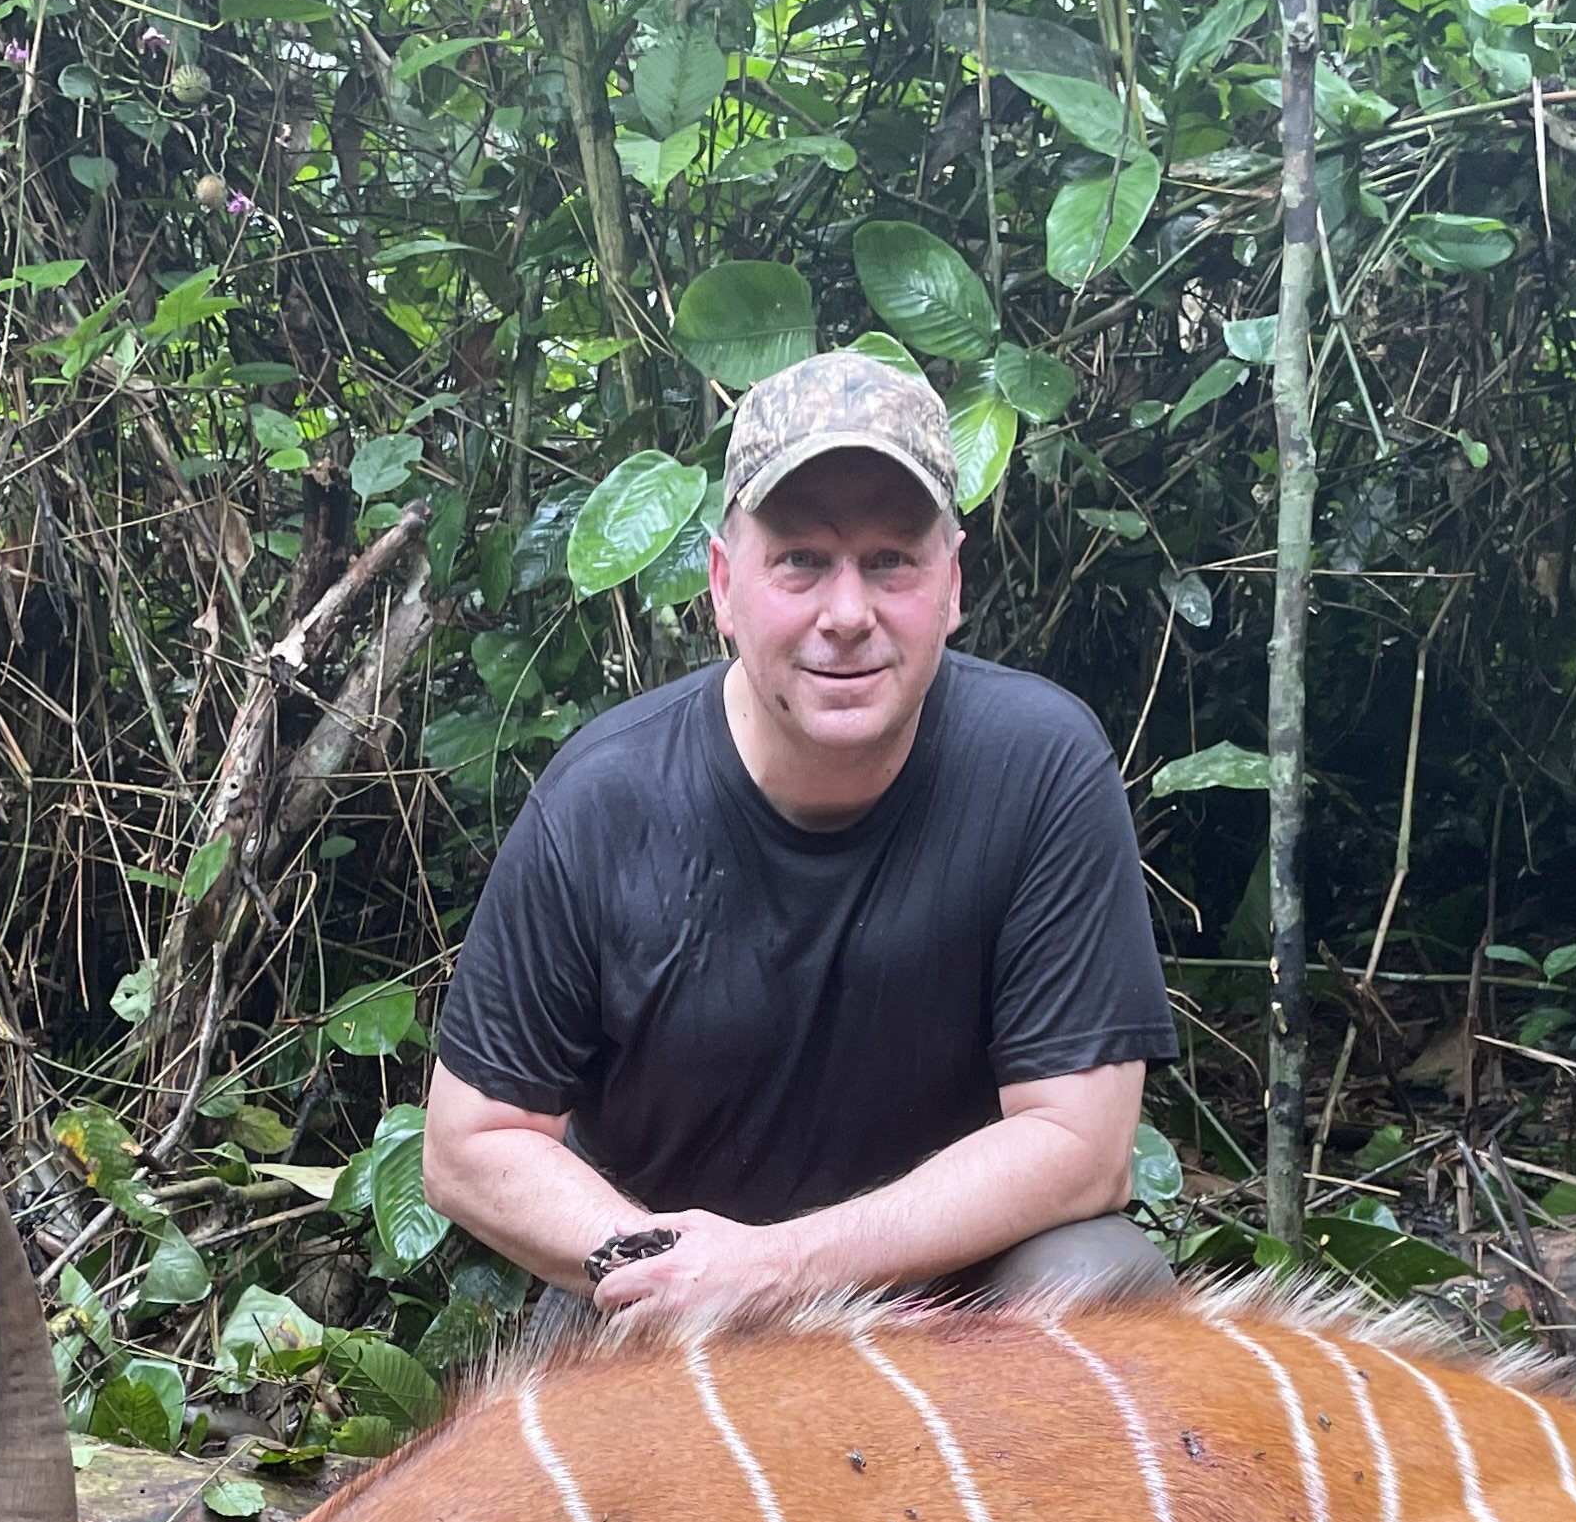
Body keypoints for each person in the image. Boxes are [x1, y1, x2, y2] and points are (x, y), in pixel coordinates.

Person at [425, 350, 1178, 1338]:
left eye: (892, 561)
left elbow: (1082, 1145)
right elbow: (469, 1145)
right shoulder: (603, 800)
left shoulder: (1040, 766)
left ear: (951, 583)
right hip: (668, 1308)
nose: (849, 615)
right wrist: (664, 1271)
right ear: (725, 584)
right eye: (803, 562)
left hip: (945, 1306)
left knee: (1102, 1280)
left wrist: (781, 1269)